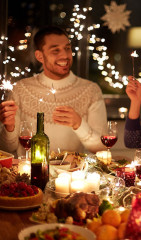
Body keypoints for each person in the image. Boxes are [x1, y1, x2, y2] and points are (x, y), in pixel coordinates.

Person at [0, 26, 107, 156]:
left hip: (73, 174)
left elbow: (101, 148)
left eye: (67, 48)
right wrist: (9, 128)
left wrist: (79, 124)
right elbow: (6, 149)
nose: (65, 56)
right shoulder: (20, 89)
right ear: (40, 56)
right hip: (29, 173)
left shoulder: (90, 90)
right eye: (55, 50)